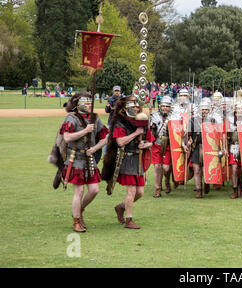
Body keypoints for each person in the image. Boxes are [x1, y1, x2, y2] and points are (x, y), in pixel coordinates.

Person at [59, 92, 109, 232]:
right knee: (79, 191)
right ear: (79, 104)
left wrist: (94, 149)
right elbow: (67, 138)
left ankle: (80, 210)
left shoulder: (94, 118)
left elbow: (105, 138)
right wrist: (85, 130)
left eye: (90, 103)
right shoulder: (71, 118)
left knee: (94, 190)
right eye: (86, 103)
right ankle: (76, 221)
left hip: (89, 159)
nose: (89, 106)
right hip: (75, 159)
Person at [103, 96, 153, 229]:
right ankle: (128, 220)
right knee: (131, 191)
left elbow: (151, 141)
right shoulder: (120, 123)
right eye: (133, 106)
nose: (136, 108)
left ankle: (121, 207)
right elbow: (119, 142)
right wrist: (136, 133)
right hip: (127, 158)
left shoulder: (142, 121)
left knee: (140, 192)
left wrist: (146, 145)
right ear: (125, 108)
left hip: (139, 159)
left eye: (137, 106)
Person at [183, 98, 217, 198]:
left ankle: (206, 183)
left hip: (208, 148)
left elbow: (215, 136)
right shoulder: (193, 121)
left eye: (206, 109)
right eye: (202, 109)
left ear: (209, 110)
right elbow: (187, 135)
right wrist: (186, 145)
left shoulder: (212, 120)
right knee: (197, 170)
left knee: (206, 169)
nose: (204, 111)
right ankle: (198, 190)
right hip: (196, 148)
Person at [150, 96, 173, 197]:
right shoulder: (154, 115)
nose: (164, 108)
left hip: (168, 145)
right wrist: (152, 127)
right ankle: (157, 189)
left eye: (167, 106)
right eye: (163, 106)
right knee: (157, 167)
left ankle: (167, 179)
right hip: (157, 144)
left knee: (166, 168)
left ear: (170, 107)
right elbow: (150, 130)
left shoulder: (174, 116)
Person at [226, 101, 242, 198]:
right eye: (238, 109)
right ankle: (235, 190)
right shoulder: (230, 120)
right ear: (235, 110)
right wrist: (225, 148)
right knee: (234, 169)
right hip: (233, 147)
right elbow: (225, 135)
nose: (240, 111)